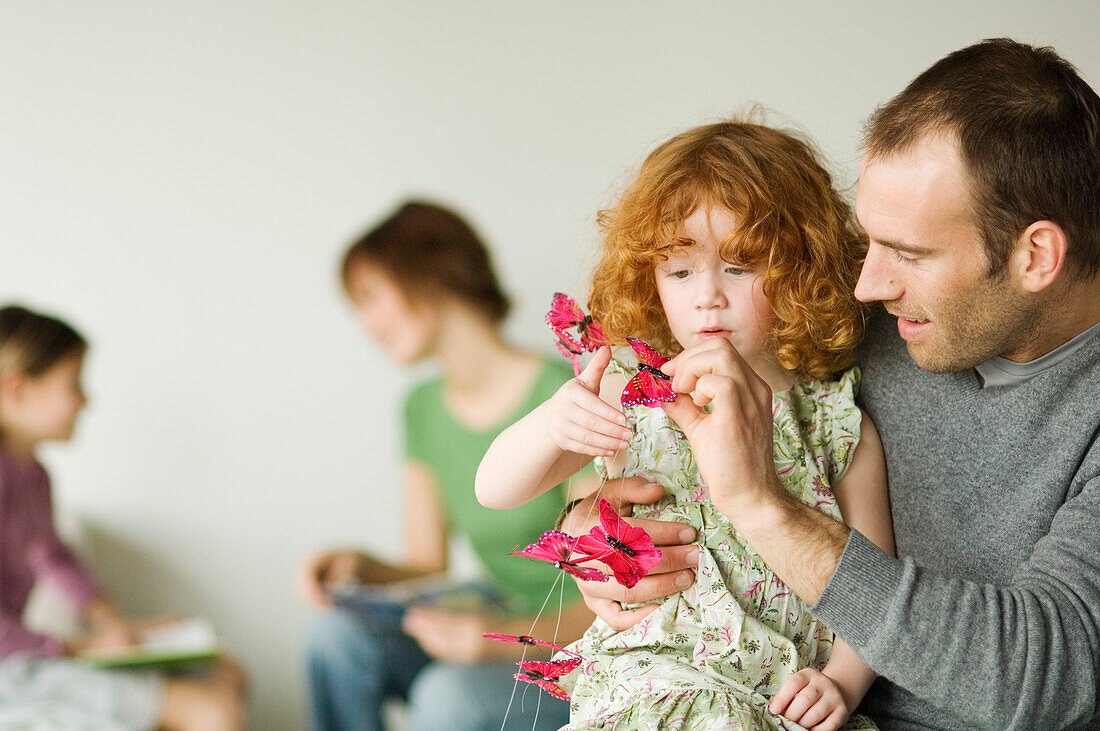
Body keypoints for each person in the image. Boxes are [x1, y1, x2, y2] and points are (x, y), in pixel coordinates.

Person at [564, 39, 1100, 730]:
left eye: (907, 253)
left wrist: (762, 505)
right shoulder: (854, 315)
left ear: (1037, 256)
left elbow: (1047, 676)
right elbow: (649, 428)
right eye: (869, 240)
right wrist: (588, 532)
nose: (864, 283)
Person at [477, 121, 894, 729]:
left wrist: (841, 683)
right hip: (648, 685)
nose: (707, 296)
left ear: (801, 268)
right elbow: (495, 488)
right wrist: (553, 424)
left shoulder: (836, 421)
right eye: (679, 271)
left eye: (739, 266)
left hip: (775, 703)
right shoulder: (634, 394)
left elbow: (874, 585)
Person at [297, 201, 594, 731]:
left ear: (428, 275)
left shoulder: (569, 395)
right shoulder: (421, 408)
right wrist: (361, 566)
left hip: (572, 644)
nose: (367, 328)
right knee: (333, 638)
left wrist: (498, 641)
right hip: (490, 619)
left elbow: (610, 601)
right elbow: (427, 565)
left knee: (446, 696)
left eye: (370, 298)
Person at [0, 305, 246, 731]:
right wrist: (80, 647)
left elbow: (54, 557)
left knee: (227, 671)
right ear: (20, 391)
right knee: (214, 712)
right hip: (14, 671)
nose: (86, 400)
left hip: (27, 658)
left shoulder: (33, 476)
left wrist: (117, 625)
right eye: (73, 385)